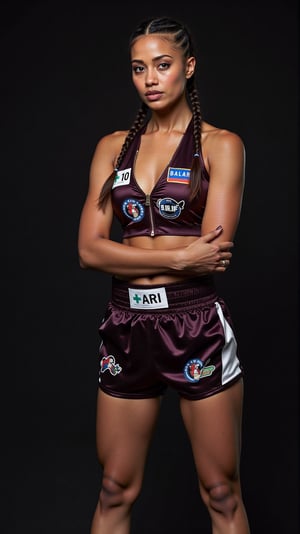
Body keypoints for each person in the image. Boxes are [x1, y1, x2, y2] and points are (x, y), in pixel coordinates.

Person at [78, 15, 250, 534]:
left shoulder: (221, 145)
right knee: (113, 489)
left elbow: (213, 253)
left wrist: (145, 258)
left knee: (221, 492)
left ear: (188, 69)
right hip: (126, 324)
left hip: (194, 325)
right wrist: (176, 259)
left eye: (162, 65)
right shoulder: (113, 148)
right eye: (138, 68)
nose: (150, 78)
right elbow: (88, 250)